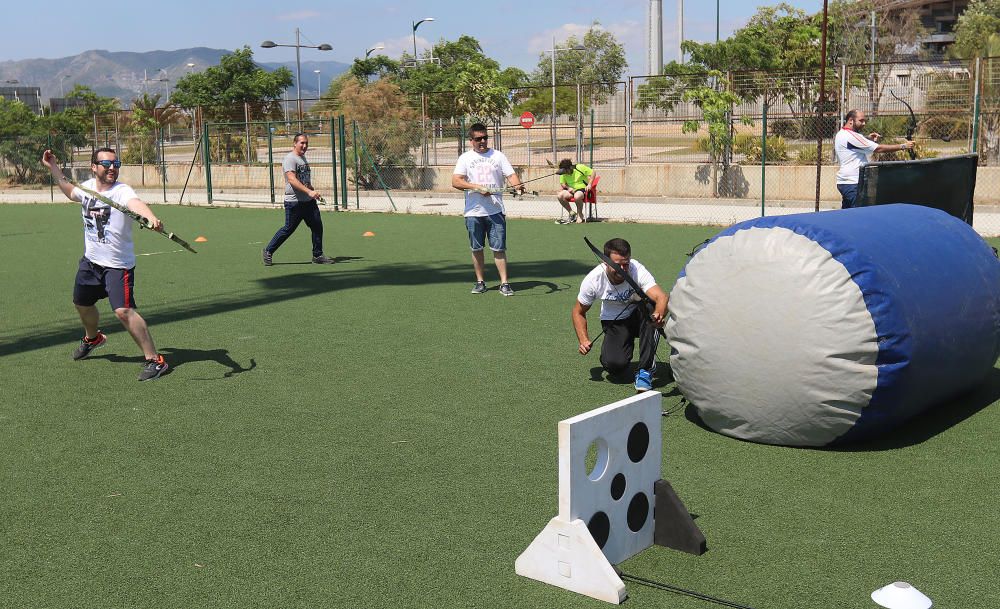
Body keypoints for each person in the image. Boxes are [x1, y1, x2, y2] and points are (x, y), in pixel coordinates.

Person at [41, 147, 169, 381]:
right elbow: (71, 192)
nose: (113, 168)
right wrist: (53, 167)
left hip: (117, 266)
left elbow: (135, 203)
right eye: (107, 164)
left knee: (123, 311)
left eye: (116, 163)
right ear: (94, 167)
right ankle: (93, 338)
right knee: (81, 303)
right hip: (91, 262)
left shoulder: (121, 191)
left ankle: (155, 360)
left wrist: (150, 218)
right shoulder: (87, 187)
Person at [572, 238, 669, 393]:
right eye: (617, 264)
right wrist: (583, 339)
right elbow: (578, 312)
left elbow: (661, 297)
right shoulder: (593, 280)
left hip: (640, 317)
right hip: (614, 321)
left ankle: (645, 371)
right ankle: (624, 347)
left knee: (650, 305)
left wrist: (659, 314)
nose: (623, 269)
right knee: (614, 366)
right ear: (605, 262)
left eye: (626, 263)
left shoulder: (636, 269)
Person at [451, 122, 525, 296]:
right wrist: (476, 187)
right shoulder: (465, 158)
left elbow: (511, 175)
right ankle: (480, 282)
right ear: (471, 140)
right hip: (473, 212)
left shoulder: (498, 156)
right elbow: (456, 181)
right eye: (478, 139)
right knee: (476, 249)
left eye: (485, 137)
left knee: (499, 249)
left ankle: (504, 284)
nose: (482, 141)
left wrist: (517, 185)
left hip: (495, 211)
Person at [262, 133, 335, 265]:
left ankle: (317, 255)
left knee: (317, 226)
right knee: (288, 229)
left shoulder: (303, 158)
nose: (305, 145)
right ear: (294, 143)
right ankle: (268, 251)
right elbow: (292, 179)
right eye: (302, 143)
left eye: (306, 143)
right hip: (294, 202)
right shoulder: (290, 159)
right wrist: (308, 191)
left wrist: (312, 191)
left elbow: (303, 180)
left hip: (308, 202)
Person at [834, 109, 914, 209]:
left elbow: (854, 145)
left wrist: (867, 138)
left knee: (848, 214)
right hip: (853, 183)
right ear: (851, 120)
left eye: (865, 121)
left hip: (846, 182)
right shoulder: (851, 136)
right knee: (858, 215)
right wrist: (902, 146)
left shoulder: (841, 134)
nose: (864, 123)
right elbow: (878, 148)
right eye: (861, 120)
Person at [555, 158, 594, 223]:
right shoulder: (564, 173)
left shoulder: (579, 167)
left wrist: (589, 184)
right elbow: (562, 183)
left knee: (577, 196)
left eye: (566, 171)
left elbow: (593, 172)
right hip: (570, 190)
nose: (565, 173)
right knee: (560, 196)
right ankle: (572, 213)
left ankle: (580, 214)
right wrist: (568, 188)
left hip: (582, 189)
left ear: (570, 167)